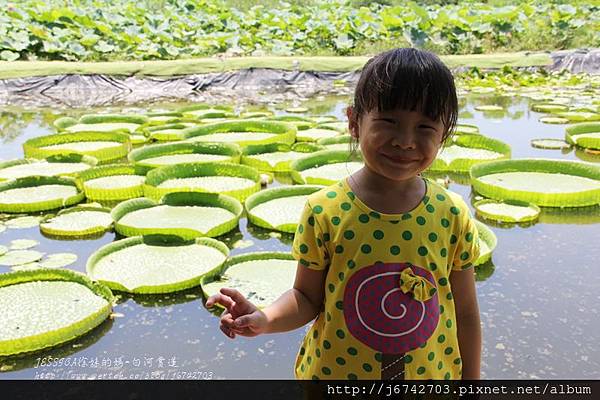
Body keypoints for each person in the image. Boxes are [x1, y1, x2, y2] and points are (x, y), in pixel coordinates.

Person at [205, 48, 481, 380]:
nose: (406, 141)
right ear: (354, 122)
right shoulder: (325, 210)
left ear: (444, 134)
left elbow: (465, 313)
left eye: (425, 127)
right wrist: (266, 319)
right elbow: (306, 297)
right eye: (389, 121)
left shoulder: (451, 213)